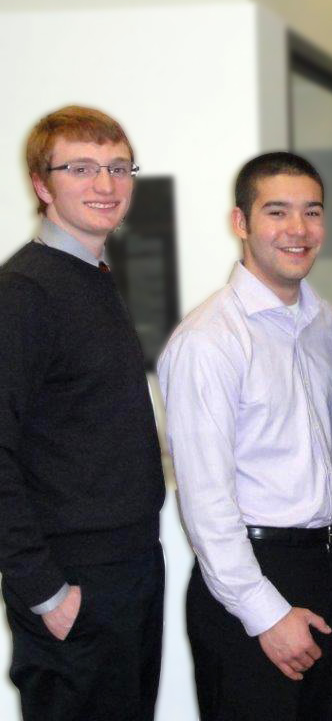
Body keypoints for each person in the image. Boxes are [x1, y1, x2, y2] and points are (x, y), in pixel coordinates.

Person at [157, 152, 332, 720]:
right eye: (277, 212)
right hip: (251, 577)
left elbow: (326, 443)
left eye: (312, 212)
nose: (298, 230)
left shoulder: (326, 324)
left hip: (326, 566)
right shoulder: (208, 342)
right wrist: (264, 613)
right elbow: (205, 500)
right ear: (240, 223)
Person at [0, 106, 165, 720]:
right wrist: (43, 590)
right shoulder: (24, 292)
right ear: (42, 185)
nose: (105, 185)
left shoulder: (92, 276)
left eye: (119, 168)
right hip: (73, 578)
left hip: (129, 564)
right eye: (82, 168)